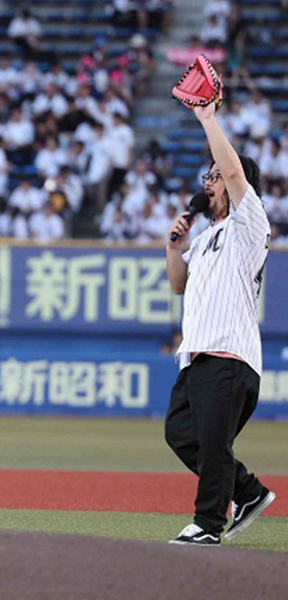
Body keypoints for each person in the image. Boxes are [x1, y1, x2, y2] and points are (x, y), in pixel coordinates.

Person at [164, 99, 274, 546]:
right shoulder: (208, 235)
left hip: (230, 353)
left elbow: (233, 173)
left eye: (213, 176)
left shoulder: (251, 222)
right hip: (197, 354)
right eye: (206, 177)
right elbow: (178, 285)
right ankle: (248, 492)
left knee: (212, 443)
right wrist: (174, 247)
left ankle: (208, 526)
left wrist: (207, 118)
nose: (208, 183)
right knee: (180, 432)